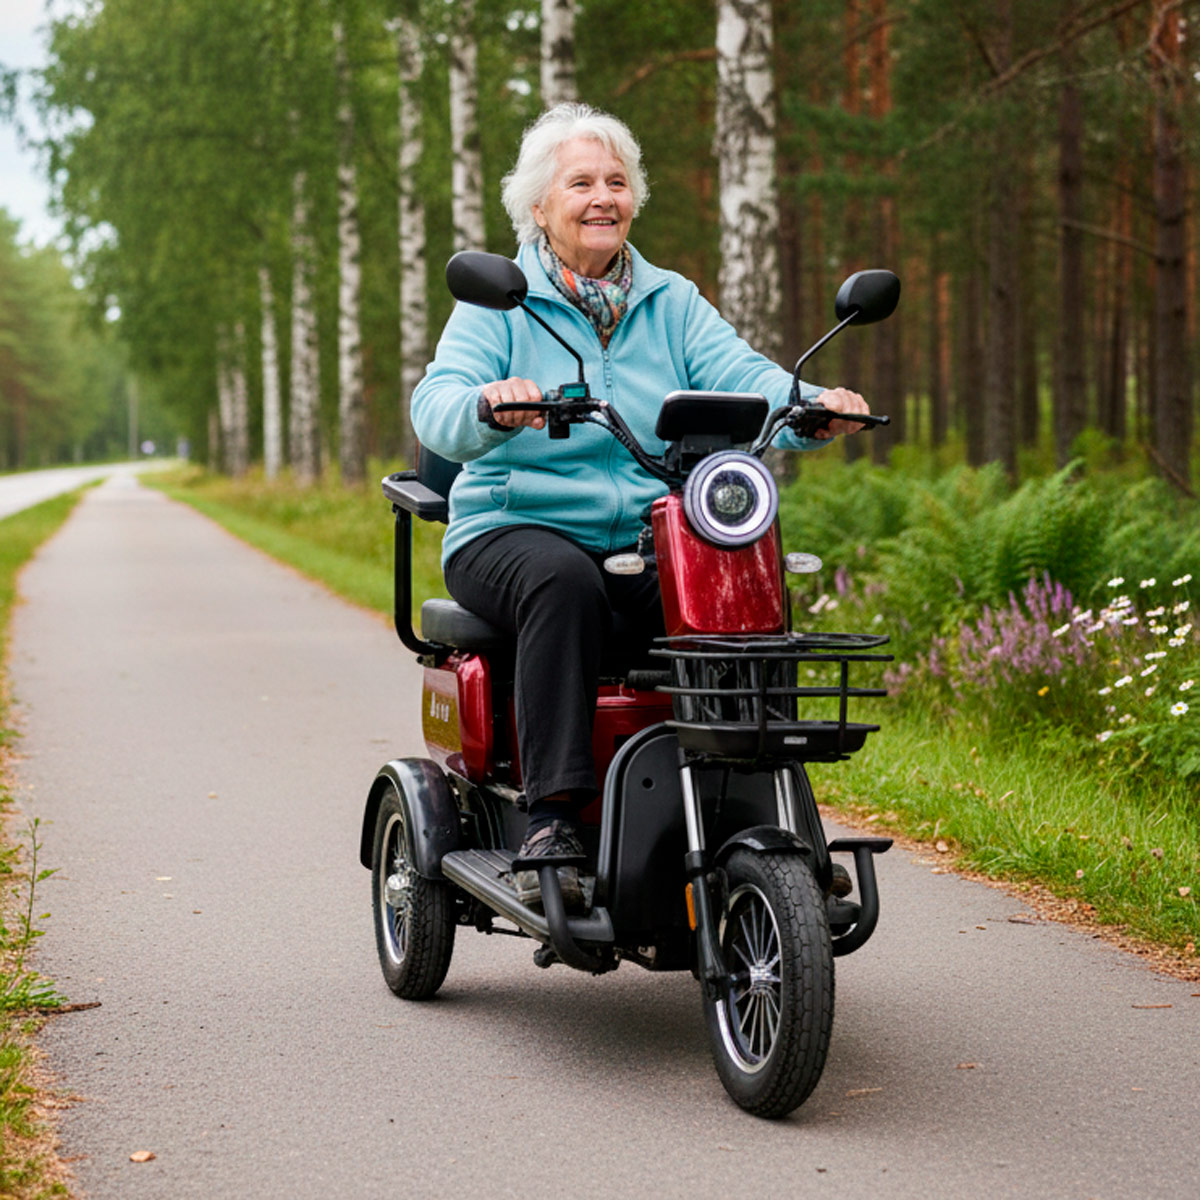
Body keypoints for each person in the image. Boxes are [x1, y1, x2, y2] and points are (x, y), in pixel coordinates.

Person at [411, 103, 869, 911]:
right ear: (538, 208)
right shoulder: (500, 303)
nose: (602, 198)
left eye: (616, 182)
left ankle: (772, 813)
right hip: (511, 528)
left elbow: (746, 376)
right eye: (580, 182)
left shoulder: (671, 299)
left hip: (643, 535)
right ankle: (553, 815)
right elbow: (436, 406)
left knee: (738, 576)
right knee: (561, 580)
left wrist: (810, 404)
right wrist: (490, 403)